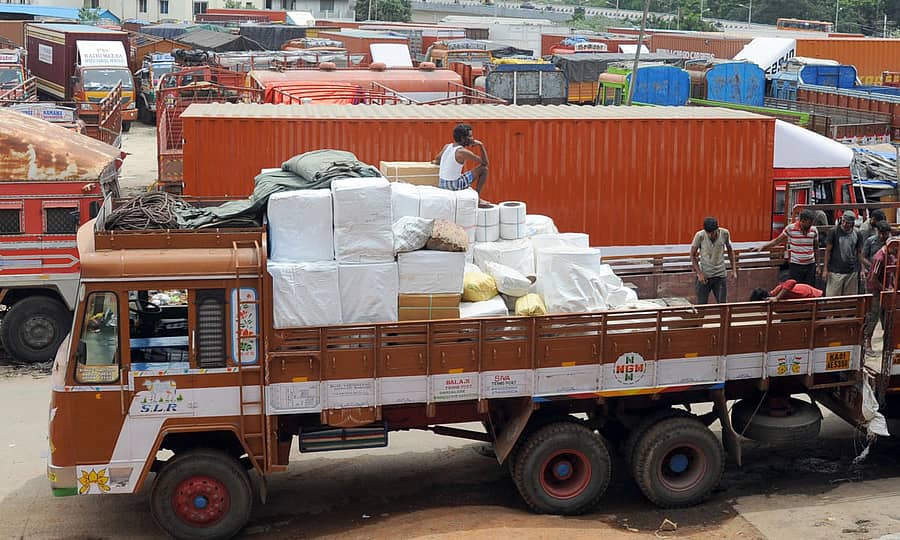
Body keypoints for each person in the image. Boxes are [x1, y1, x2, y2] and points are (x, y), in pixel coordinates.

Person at [752, 209, 818, 286]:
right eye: (808, 224)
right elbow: (777, 241)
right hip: (796, 265)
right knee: (795, 289)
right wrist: (763, 246)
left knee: (810, 289)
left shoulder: (814, 230)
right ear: (802, 221)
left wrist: (818, 265)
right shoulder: (790, 229)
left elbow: (816, 248)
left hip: (810, 265)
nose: (810, 226)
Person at [690, 217, 737, 304]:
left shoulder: (725, 233)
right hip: (704, 276)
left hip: (720, 275)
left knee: (722, 305)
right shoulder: (700, 236)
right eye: (708, 233)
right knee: (701, 305)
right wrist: (699, 273)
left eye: (713, 232)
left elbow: (730, 251)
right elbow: (692, 255)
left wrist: (734, 270)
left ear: (717, 229)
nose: (710, 235)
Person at [432, 124, 488, 193]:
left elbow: (437, 159)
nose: (473, 138)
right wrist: (481, 145)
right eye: (470, 136)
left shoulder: (447, 146)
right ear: (462, 138)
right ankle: (477, 196)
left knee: (461, 174)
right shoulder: (462, 152)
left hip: (442, 183)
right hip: (454, 186)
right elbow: (485, 163)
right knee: (484, 169)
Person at [823, 210, 863, 296]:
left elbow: (859, 252)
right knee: (832, 299)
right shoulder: (833, 232)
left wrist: (862, 269)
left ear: (852, 223)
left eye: (848, 223)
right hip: (835, 271)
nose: (845, 224)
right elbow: (828, 251)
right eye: (843, 221)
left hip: (852, 271)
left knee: (850, 300)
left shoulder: (857, 233)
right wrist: (825, 269)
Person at [866, 241, 895, 355]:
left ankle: (887, 345)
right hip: (875, 290)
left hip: (885, 289)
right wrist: (884, 288)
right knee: (874, 316)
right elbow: (873, 279)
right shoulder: (879, 257)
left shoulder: (891, 255)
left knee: (887, 316)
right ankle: (867, 342)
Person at [862, 221, 891, 285]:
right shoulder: (870, 241)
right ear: (877, 231)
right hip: (873, 273)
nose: (881, 236)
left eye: (884, 234)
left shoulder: (891, 242)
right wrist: (872, 266)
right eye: (880, 233)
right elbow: (863, 257)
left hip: (887, 274)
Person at [749, 279, 823, 302]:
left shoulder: (777, 291)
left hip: (815, 296)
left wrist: (777, 297)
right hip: (808, 302)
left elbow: (792, 281)